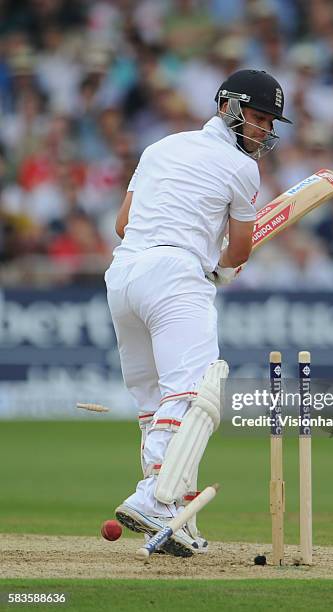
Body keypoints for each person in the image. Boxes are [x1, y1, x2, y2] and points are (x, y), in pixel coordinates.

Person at [105, 69, 292, 556]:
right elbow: (241, 248)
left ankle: (172, 512)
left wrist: (208, 256)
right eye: (257, 118)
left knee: (154, 401)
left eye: (270, 123)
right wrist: (223, 270)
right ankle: (155, 496)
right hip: (175, 274)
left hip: (123, 275)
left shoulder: (160, 147)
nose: (264, 131)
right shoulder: (243, 168)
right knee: (193, 393)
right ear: (228, 107)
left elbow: (123, 223)